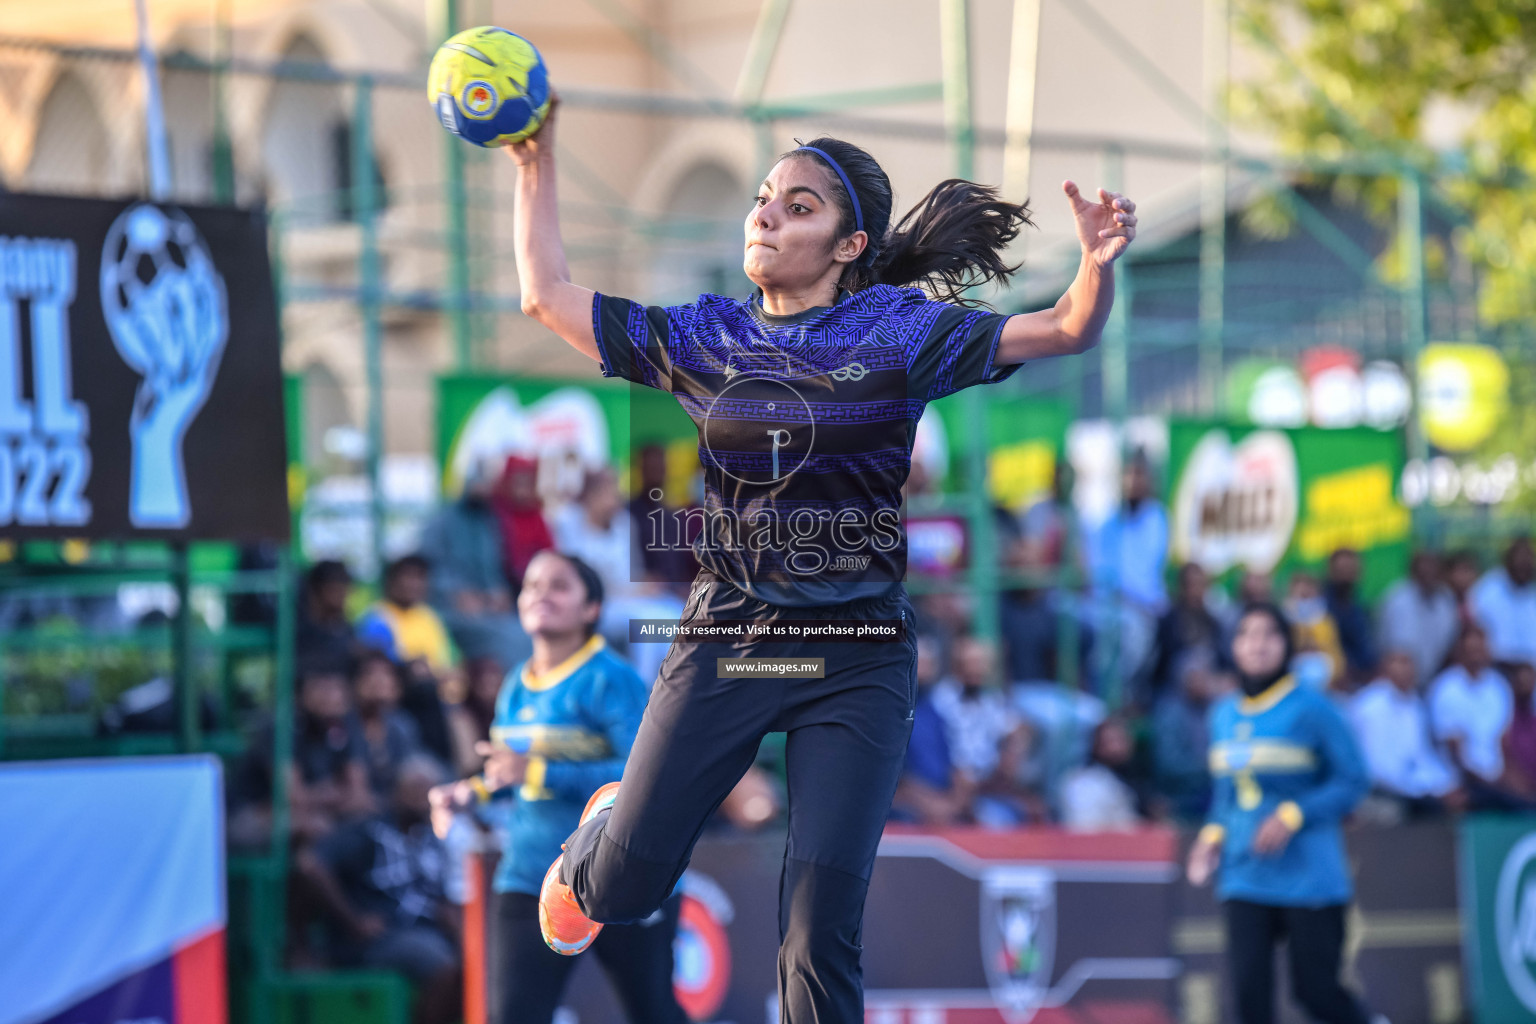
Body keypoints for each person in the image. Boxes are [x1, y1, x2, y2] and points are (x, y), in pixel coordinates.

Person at [507, 93, 1134, 1021]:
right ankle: (602, 839)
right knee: (624, 891)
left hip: (859, 656)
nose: (766, 213)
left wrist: (1095, 263)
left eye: (799, 205)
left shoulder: (898, 331)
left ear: (849, 245)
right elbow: (546, 295)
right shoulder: (704, 334)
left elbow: (1067, 327)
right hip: (732, 643)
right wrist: (535, 163)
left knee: (819, 925)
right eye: (764, 197)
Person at [429, 550, 685, 1024]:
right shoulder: (514, 685)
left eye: (559, 585)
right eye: (531, 584)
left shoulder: (613, 678)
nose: (540, 594)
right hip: (530, 877)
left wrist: (538, 771)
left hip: (620, 875)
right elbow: (510, 775)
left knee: (654, 1012)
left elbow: (641, 777)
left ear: (591, 609)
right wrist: (467, 794)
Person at [1185, 603, 1372, 1024]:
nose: (1257, 645)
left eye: (1269, 634)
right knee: (1250, 996)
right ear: (1233, 646)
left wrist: (1293, 815)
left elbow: (1354, 780)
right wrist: (1210, 839)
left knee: (1317, 994)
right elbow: (1225, 793)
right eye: (1246, 634)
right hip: (1244, 874)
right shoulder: (1223, 714)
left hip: (1309, 876)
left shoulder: (1313, 709)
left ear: (1286, 645)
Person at [298, 756, 461, 1024]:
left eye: (429, 790)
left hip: (427, 929)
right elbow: (310, 864)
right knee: (443, 966)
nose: (423, 797)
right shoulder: (369, 830)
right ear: (397, 791)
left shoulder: (432, 837)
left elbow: (441, 898)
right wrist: (352, 920)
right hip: (380, 936)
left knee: (477, 962)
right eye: (416, 788)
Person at [418, 456, 530, 669]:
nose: (482, 487)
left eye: (487, 481)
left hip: (491, 609)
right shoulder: (441, 521)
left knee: (527, 631)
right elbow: (427, 568)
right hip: (450, 607)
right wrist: (457, 593)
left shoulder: (491, 521)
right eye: (477, 480)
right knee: (508, 640)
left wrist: (498, 592)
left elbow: (496, 567)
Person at [1086, 449, 1168, 689]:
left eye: (1140, 476)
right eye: (1129, 475)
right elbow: (1101, 576)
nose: (1134, 482)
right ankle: (1110, 696)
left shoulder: (1157, 518)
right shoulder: (1105, 522)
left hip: (1148, 605)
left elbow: (1149, 573)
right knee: (1129, 631)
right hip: (1115, 604)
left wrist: (1147, 603)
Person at [1347, 649, 1459, 819]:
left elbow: (1421, 756)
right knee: (1429, 809)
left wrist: (1445, 785)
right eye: (1400, 662)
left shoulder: (1415, 705)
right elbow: (1377, 768)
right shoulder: (1371, 706)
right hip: (1375, 789)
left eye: (1409, 663)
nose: (1406, 669)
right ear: (1384, 668)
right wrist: (1422, 791)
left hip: (1408, 787)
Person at [1428, 624, 1522, 807]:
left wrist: (1511, 778)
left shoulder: (1499, 686)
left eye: (1480, 649)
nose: (1476, 655)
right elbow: (1454, 752)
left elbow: (1504, 742)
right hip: (1462, 781)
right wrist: (1488, 783)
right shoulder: (1445, 689)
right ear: (1459, 652)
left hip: (1497, 778)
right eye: (1471, 650)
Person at [890, 634, 972, 824]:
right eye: (922, 662)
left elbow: (954, 763)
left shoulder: (936, 711)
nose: (927, 669)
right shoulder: (891, 712)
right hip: (907, 805)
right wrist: (931, 804)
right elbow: (897, 778)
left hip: (943, 801)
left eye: (930, 663)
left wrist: (956, 800)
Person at [1151, 645, 1231, 821]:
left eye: (1206, 675)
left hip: (1211, 788)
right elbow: (1170, 765)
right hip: (1182, 795)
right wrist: (1210, 766)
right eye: (1198, 676)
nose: (1204, 681)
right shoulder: (1170, 713)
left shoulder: (1214, 708)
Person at [1377, 550, 1459, 689]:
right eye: (1424, 570)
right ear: (1413, 572)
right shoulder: (1397, 599)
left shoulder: (1446, 600)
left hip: (1434, 679)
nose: (1428, 574)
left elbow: (1449, 643)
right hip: (1398, 681)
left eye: (1433, 570)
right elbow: (1393, 648)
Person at [351, 649, 425, 799]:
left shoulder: (402, 725)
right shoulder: (344, 724)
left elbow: (411, 772)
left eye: (386, 674)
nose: (378, 680)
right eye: (369, 673)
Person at [1146, 562, 1224, 704]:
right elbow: (1161, 665)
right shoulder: (1168, 621)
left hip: (1208, 689)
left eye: (1200, 584)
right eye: (1190, 585)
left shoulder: (1213, 622)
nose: (1195, 591)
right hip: (1174, 692)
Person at [1059, 716, 1145, 830]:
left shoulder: (1133, 781)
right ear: (1095, 745)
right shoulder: (1083, 785)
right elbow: (1085, 831)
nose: (1116, 748)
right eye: (1110, 742)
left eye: (1122, 740)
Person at [493, 454, 555, 595]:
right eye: (518, 483)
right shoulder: (495, 515)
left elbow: (548, 553)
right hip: (501, 588)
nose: (523, 490)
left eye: (528, 483)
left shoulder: (537, 517)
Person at [1470, 536, 1536, 669]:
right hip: (1495, 668)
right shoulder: (1487, 590)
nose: (1524, 564)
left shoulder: (1532, 595)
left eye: (1528, 562)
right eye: (1519, 560)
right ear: (1507, 561)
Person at [1323, 548, 1375, 684]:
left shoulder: (1360, 609)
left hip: (1360, 682)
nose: (1346, 575)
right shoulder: (1319, 607)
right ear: (1331, 571)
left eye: (1351, 570)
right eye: (1342, 570)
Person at [296, 560, 357, 667]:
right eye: (334, 589)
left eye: (345, 587)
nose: (342, 595)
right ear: (316, 590)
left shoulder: (348, 630)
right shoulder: (297, 631)